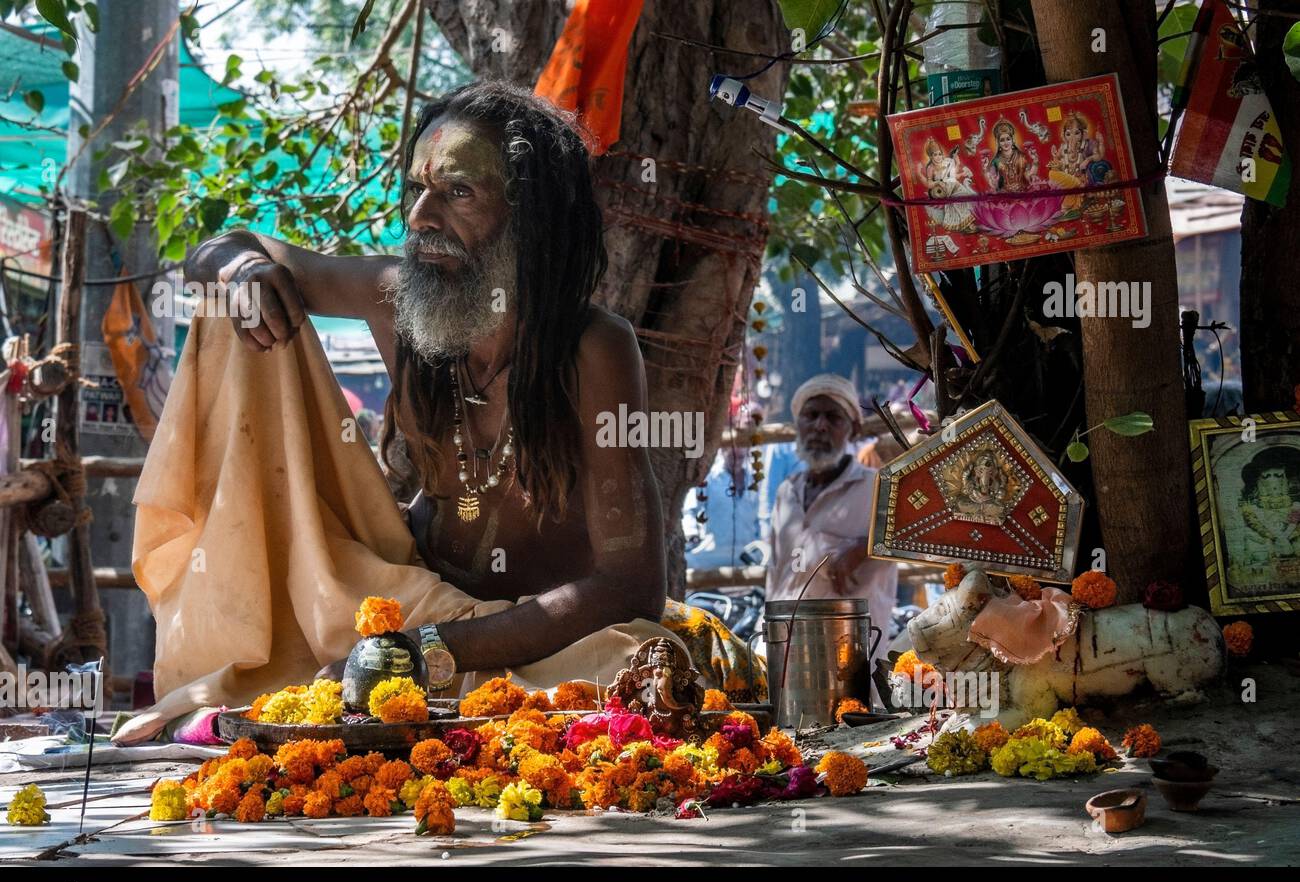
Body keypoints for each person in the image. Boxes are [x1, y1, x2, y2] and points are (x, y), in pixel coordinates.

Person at [183, 82, 671, 682]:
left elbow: (632, 588)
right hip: (413, 603)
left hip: (541, 646)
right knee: (241, 304)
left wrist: (422, 653)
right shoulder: (397, 302)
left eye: (457, 192)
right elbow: (219, 249)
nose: (420, 218)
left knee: (640, 660)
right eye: (417, 189)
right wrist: (244, 270)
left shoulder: (595, 351)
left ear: (531, 216)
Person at [766, 374, 898, 702]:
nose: (820, 426)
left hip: (851, 663)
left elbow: (914, 539)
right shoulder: (787, 492)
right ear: (797, 424)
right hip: (789, 662)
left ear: (852, 429)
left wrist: (864, 547)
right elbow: (775, 576)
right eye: (811, 416)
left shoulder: (878, 488)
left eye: (833, 417)